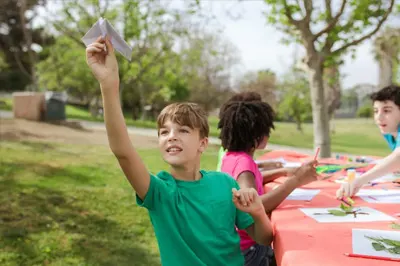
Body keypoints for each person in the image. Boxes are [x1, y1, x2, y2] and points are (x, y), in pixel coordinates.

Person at [85, 35, 273, 266]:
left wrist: (257, 211)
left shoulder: (226, 184)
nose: (171, 135)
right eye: (164, 132)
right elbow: (123, 151)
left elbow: (263, 237)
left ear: (203, 144)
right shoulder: (160, 193)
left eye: (183, 130)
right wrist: (109, 85)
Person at [218, 100, 318, 266]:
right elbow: (254, 204)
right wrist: (296, 180)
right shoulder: (244, 164)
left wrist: (283, 172)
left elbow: (253, 179)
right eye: (265, 131)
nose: (268, 135)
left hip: (236, 245)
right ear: (255, 135)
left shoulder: (232, 157)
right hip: (249, 250)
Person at [336, 85, 400, 198]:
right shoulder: (389, 132)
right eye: (376, 111)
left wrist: (360, 180)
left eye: (387, 111)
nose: (379, 117)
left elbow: (397, 158)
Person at [216, 92, 295, 182]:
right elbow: (250, 187)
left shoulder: (230, 155)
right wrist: (295, 180)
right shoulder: (244, 163)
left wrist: (263, 165)